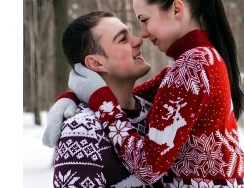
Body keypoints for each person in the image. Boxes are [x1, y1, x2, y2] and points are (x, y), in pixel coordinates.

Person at [47, 0, 244, 187]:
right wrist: (74, 97)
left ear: (177, 10)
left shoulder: (194, 65)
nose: (142, 34)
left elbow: (147, 167)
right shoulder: (197, 62)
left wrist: (100, 100)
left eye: (145, 19)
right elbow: (128, 97)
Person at [42, 11, 164, 187]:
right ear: (96, 63)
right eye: (122, 39)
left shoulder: (154, 110)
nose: (138, 40)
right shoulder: (81, 132)